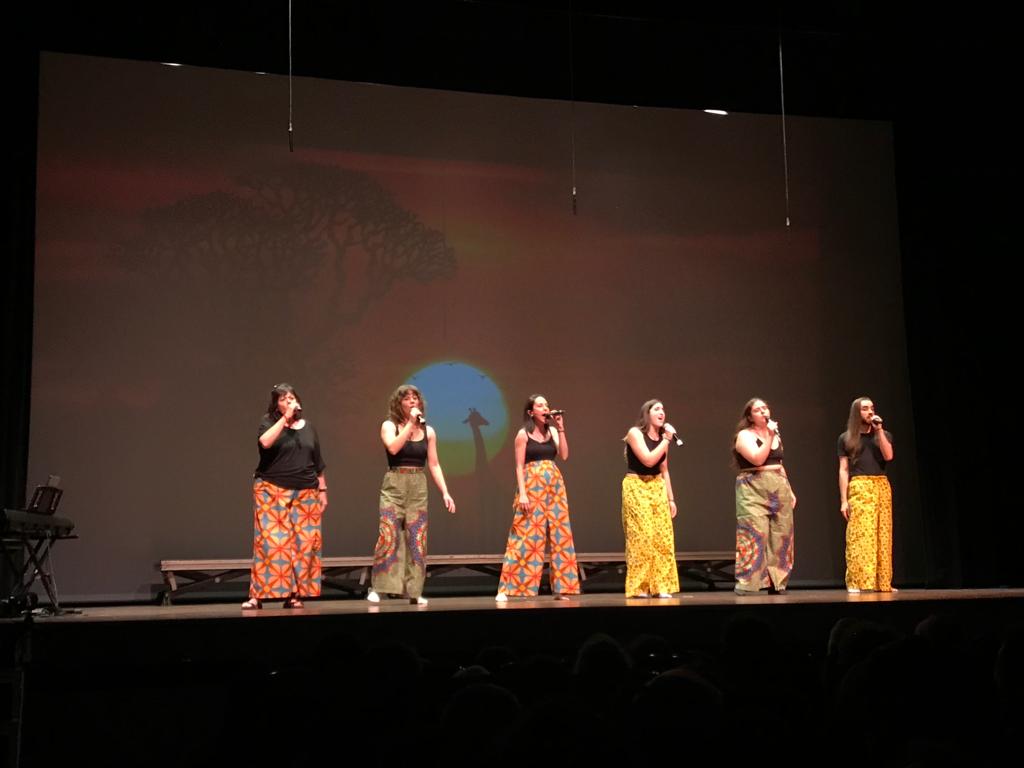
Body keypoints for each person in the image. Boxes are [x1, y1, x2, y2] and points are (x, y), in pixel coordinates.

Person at [367, 384, 456, 606]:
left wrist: (445, 492)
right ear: (399, 404)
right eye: (407, 399)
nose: (413, 402)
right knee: (389, 534)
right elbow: (394, 449)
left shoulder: (429, 431)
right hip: (394, 483)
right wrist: (409, 425)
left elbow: (434, 464)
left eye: (415, 398)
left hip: (418, 485)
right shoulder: (389, 425)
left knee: (417, 538)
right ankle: (380, 587)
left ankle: (414, 591)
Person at [243, 383, 327, 610]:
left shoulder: (309, 428)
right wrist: (284, 420)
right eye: (283, 399)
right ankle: (257, 596)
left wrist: (323, 490)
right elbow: (265, 442)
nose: (288, 401)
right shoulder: (268, 422)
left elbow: (317, 462)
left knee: (303, 545)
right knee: (271, 544)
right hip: (271, 489)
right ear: (276, 405)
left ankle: (294, 594)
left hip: (306, 492)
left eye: (291, 397)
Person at [495, 395, 581, 601]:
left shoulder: (552, 431)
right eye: (540, 405)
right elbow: (518, 466)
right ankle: (506, 588)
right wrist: (523, 493)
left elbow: (565, 455)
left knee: (561, 536)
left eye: (546, 404)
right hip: (532, 487)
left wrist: (561, 428)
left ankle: (561, 588)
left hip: (554, 488)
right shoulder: (523, 435)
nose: (545, 408)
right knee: (525, 537)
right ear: (531, 412)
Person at [732, 397, 796, 595]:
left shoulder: (775, 435)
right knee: (754, 534)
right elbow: (758, 458)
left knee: (782, 534)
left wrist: (790, 489)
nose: (764, 412)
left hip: (778, 486)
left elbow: (779, 463)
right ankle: (748, 584)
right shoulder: (744, 435)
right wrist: (769, 435)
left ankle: (776, 582)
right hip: (753, 487)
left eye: (765, 408)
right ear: (750, 416)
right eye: (758, 410)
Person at [621, 399, 679, 598]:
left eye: (663, 408)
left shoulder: (664, 439)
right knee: (642, 536)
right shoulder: (635, 433)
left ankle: (661, 585)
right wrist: (666, 440)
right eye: (657, 409)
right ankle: (639, 586)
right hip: (636, 485)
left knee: (662, 538)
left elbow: (664, 469)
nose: (662, 412)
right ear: (647, 414)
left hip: (657, 486)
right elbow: (647, 459)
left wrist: (671, 499)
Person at [838, 396, 895, 594]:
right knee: (860, 535)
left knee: (882, 534)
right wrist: (844, 500)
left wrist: (879, 431)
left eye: (872, 408)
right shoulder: (846, 438)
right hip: (860, 486)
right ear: (857, 413)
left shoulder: (883, 434)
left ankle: (882, 582)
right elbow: (843, 470)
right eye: (865, 409)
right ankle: (858, 581)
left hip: (881, 485)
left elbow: (888, 456)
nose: (870, 412)